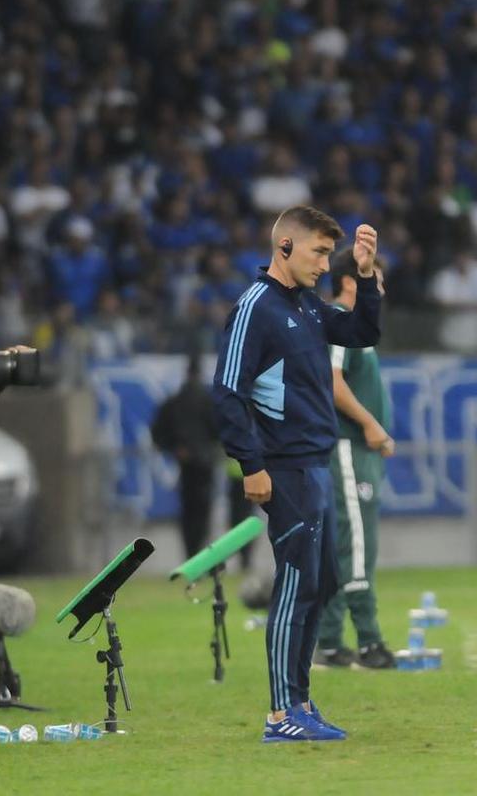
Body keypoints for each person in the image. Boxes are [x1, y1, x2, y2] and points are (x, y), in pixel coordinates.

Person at [213, 206, 381, 743]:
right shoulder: (254, 307)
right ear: (284, 247)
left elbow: (361, 331)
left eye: (330, 254)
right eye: (319, 252)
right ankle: (280, 713)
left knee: (320, 583)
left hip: (315, 464)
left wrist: (366, 276)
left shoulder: (306, 304)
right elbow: (228, 392)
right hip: (284, 469)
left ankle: (301, 702)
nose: (325, 265)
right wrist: (252, 465)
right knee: (295, 584)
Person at [314, 249, 396, 670]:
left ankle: (329, 642)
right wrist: (370, 424)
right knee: (358, 544)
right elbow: (332, 382)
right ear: (350, 282)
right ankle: (369, 641)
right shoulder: (340, 322)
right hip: (346, 448)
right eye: (373, 278)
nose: (381, 286)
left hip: (354, 450)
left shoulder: (354, 327)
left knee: (341, 546)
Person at [151, 354, 220, 560]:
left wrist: (175, 448)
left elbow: (157, 432)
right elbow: (219, 430)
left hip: (187, 465)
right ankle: (199, 555)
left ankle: (190, 554)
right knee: (202, 513)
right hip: (205, 464)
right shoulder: (208, 401)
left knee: (188, 513)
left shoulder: (175, 401)